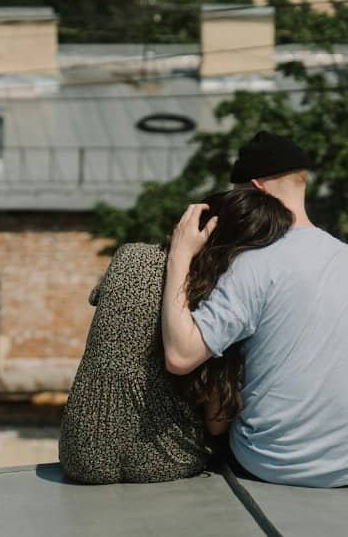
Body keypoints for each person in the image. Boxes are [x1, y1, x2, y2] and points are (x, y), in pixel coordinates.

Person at [161, 131, 348, 488]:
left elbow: (180, 355)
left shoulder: (255, 263)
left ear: (255, 190)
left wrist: (180, 255)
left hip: (271, 464)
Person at [59, 188, 293, 484]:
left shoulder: (130, 255)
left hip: (81, 453)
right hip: (163, 460)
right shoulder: (217, 299)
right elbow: (217, 421)